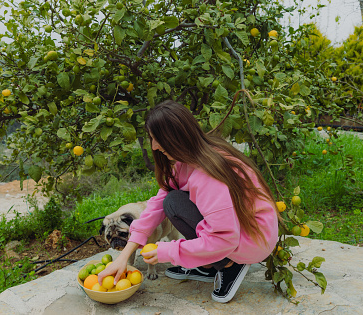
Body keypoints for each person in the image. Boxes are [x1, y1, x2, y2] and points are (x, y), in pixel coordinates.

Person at [98, 100, 279, 303]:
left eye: (158, 139)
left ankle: (228, 265)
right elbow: (156, 204)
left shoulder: (208, 176)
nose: (154, 147)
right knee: (171, 201)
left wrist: (167, 251)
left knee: (175, 203)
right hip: (243, 227)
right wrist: (124, 255)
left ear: (176, 137)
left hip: (252, 239)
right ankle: (209, 264)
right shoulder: (190, 158)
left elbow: (224, 238)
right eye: (152, 139)